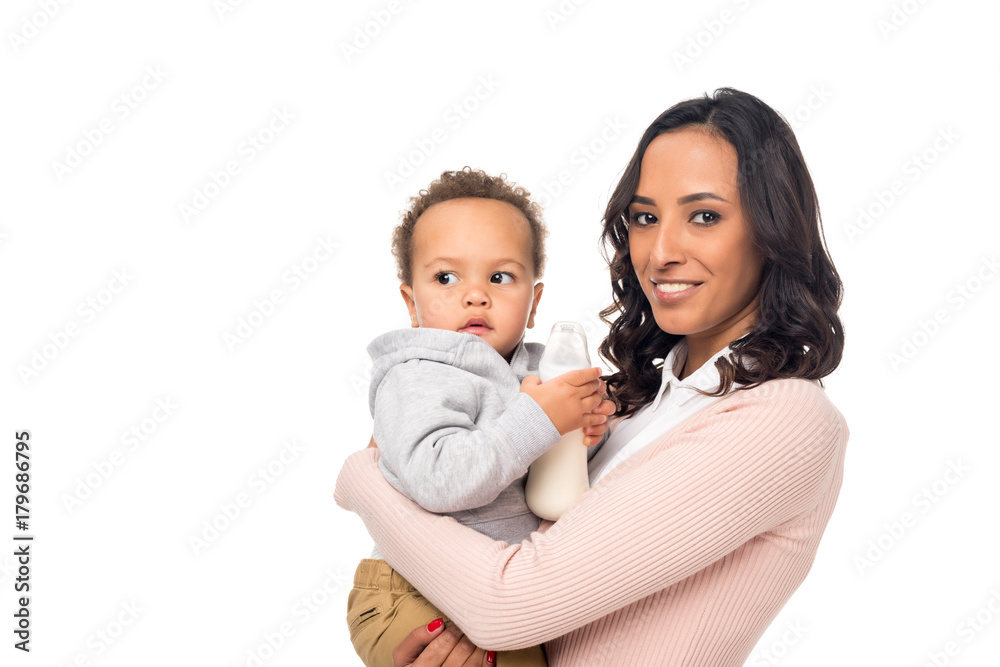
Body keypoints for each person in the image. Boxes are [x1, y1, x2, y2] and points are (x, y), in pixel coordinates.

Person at [336, 88, 848, 666]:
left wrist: (364, 477)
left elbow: (508, 603)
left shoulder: (784, 420)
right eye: (645, 218)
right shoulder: (629, 402)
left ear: (772, 232)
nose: (660, 252)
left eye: (705, 216)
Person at [346, 167, 615, 666]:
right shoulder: (418, 374)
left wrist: (584, 431)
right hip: (410, 593)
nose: (475, 294)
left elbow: (548, 477)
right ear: (412, 302)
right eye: (446, 277)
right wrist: (539, 419)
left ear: (534, 302)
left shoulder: (538, 370)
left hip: (499, 593)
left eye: (500, 276)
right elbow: (441, 480)